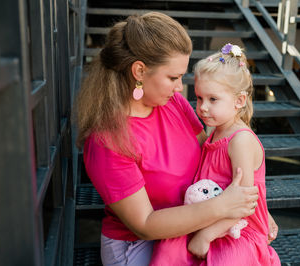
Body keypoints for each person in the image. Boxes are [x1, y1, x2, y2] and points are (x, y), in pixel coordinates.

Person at [75, 12, 276, 266]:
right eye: (173, 77)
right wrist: (224, 208)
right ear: (139, 71)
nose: (181, 87)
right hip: (138, 245)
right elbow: (145, 225)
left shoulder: (173, 103)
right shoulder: (107, 141)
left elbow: (213, 160)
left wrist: (255, 209)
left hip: (194, 228)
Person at [150, 44, 280, 266]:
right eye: (200, 98)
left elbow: (244, 205)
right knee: (168, 250)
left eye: (213, 100)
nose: (202, 108)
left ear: (239, 101)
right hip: (211, 217)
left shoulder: (240, 141)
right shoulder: (214, 133)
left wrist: (205, 236)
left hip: (238, 228)